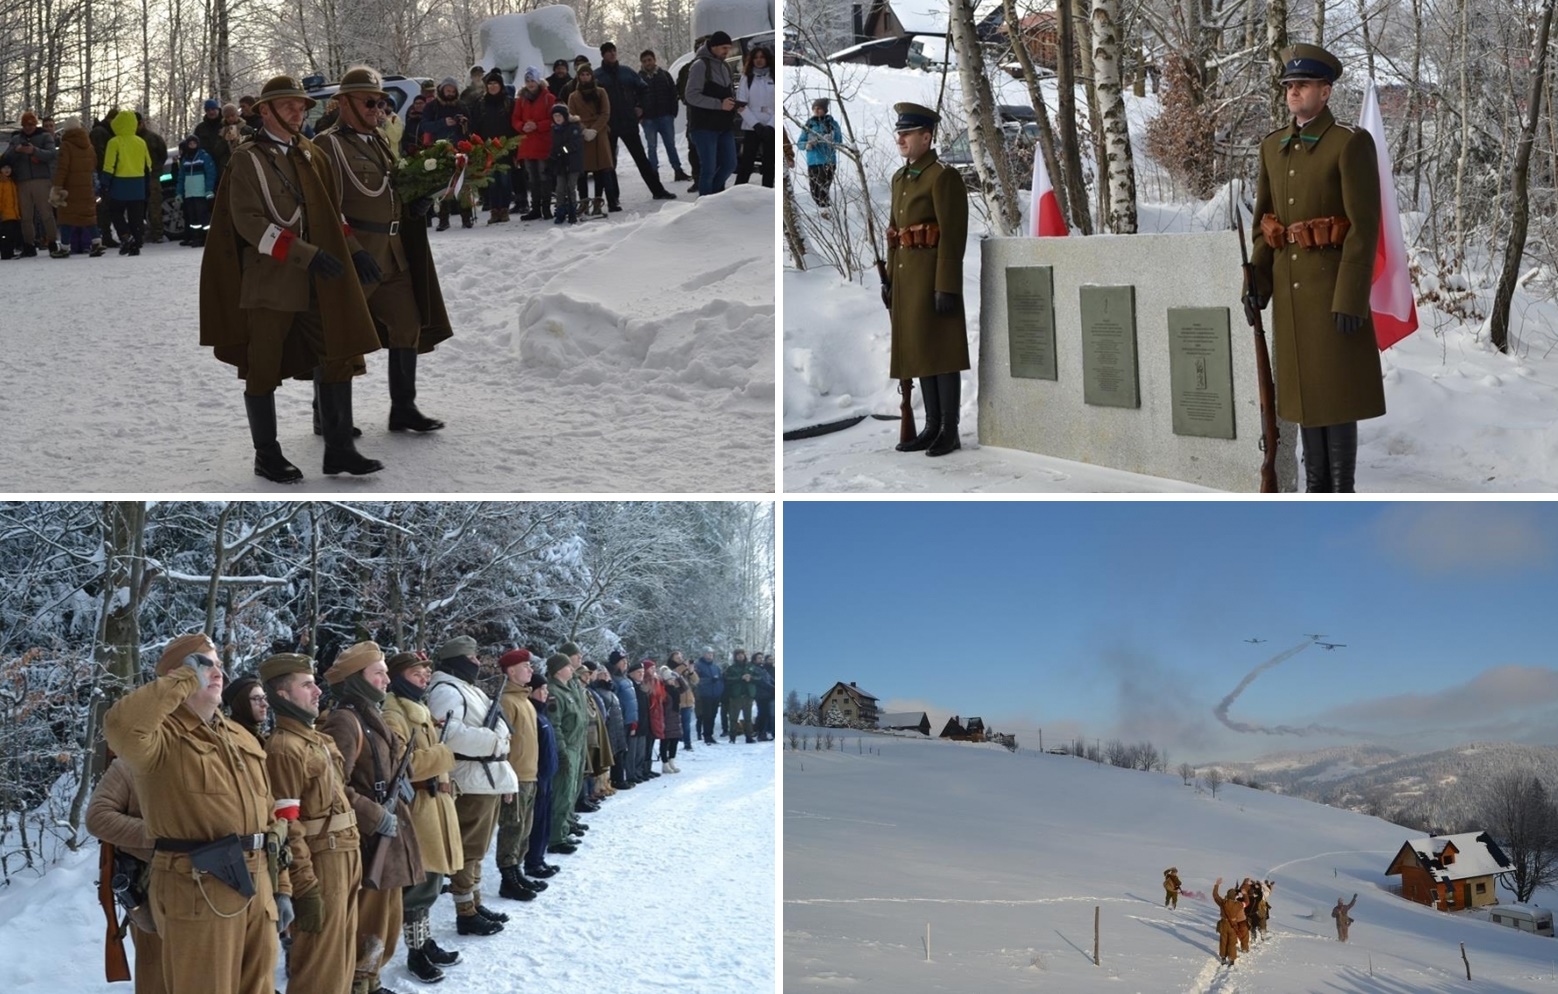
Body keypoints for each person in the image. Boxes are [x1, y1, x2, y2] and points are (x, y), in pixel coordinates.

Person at [200, 74, 385, 484]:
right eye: (288, 107)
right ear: (264, 111)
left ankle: (339, 449)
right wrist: (305, 254)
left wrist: (353, 251)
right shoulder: (247, 159)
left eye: (302, 107)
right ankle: (267, 455)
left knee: (338, 353)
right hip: (271, 283)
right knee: (263, 367)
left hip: (318, 280)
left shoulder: (309, 153)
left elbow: (330, 210)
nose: (298, 114)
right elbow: (249, 223)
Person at [103, 633, 280, 994]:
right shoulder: (159, 738)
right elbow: (119, 727)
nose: (214, 671)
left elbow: (268, 814)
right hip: (199, 886)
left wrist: (283, 887)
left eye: (216, 664)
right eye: (200, 664)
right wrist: (182, 680)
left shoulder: (239, 736)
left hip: (257, 884)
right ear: (174, 677)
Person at [1247, 43, 1382, 492]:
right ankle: (1317, 489)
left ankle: (1341, 492)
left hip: (1331, 296)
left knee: (1336, 397)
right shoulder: (1273, 147)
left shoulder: (1349, 143)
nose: (1293, 91)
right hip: (1289, 299)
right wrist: (1257, 281)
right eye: (1288, 85)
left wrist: (1351, 296)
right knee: (1306, 398)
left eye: (1302, 85)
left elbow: (1364, 226)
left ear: (1325, 92)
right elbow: (1267, 226)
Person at [316, 65, 452, 435]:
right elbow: (325, 208)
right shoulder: (329, 145)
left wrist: (416, 203)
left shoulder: (376, 140)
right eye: (369, 101)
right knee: (340, 337)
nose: (378, 108)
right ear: (343, 103)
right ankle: (326, 416)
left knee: (406, 324)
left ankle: (403, 408)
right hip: (356, 255)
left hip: (392, 253)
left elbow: (391, 190)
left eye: (381, 102)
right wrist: (353, 250)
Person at [319, 641, 422, 994]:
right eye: (378, 674)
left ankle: (371, 980)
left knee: (387, 918)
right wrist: (372, 814)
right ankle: (359, 983)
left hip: (387, 834)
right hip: (368, 838)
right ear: (357, 678)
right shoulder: (345, 721)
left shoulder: (369, 716)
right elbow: (332, 786)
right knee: (368, 920)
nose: (386, 681)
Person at [260, 651, 359, 994]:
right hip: (322, 862)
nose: (317, 691)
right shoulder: (284, 748)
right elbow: (287, 826)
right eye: (307, 685)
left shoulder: (315, 739)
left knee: (343, 956)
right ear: (283, 695)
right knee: (320, 967)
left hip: (345, 853)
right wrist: (304, 886)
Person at [885, 101, 970, 457]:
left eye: (907, 133)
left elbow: (953, 233)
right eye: (899, 133)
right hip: (908, 279)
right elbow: (895, 232)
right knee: (921, 352)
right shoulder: (901, 178)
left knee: (942, 355)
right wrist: (890, 279)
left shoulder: (942, 176)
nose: (901, 139)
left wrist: (945, 284)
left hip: (933, 278)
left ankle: (949, 430)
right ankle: (931, 426)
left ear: (926, 136)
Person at [381, 650, 466, 983]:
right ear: (400, 675)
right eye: (418, 673)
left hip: (435, 802)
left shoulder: (415, 707)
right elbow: (405, 763)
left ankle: (424, 943)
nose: (425, 678)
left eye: (426, 673)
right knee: (419, 883)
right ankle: (416, 953)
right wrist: (445, 752)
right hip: (418, 805)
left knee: (431, 882)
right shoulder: (394, 711)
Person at [425, 636, 517, 934]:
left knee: (478, 849)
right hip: (469, 778)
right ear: (457, 660)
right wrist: (492, 741)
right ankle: (465, 910)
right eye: (472, 658)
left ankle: (474, 901)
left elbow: (498, 720)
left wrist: (498, 737)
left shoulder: (469, 689)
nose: (478, 662)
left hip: (484, 777)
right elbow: (448, 735)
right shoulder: (446, 690)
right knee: (467, 849)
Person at [85, 756, 164, 994]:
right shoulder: (129, 764)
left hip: (204, 890)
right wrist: (160, 837)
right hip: (149, 894)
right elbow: (98, 817)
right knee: (156, 978)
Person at [494, 649, 548, 903]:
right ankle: (508, 878)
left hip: (530, 775)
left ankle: (517, 869)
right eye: (526, 666)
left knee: (524, 827)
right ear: (511, 671)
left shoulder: (525, 700)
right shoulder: (507, 701)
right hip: (514, 777)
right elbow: (502, 745)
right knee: (512, 827)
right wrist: (505, 780)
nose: (531, 670)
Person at [595, 41, 677, 206]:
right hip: (608, 125)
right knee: (609, 163)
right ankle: (613, 198)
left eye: (613, 51)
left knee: (641, 159)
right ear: (603, 55)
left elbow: (644, 88)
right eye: (608, 52)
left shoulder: (626, 72)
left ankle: (658, 190)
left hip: (628, 122)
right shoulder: (597, 76)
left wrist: (640, 107)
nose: (612, 54)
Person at [684, 31, 739, 196]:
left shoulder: (725, 66)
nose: (726, 51)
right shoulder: (699, 65)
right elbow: (691, 95)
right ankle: (706, 204)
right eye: (723, 48)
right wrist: (719, 104)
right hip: (704, 126)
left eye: (728, 48)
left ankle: (713, 197)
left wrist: (735, 102)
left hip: (723, 125)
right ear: (713, 46)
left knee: (730, 164)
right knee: (708, 168)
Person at [545, 649, 588, 850]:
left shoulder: (567, 689)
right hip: (567, 747)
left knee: (570, 791)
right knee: (562, 792)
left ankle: (564, 828)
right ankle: (556, 837)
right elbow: (555, 726)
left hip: (576, 744)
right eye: (568, 666)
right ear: (558, 670)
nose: (572, 669)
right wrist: (561, 753)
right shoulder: (554, 692)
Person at [2, 112, 59, 257]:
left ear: (35, 124)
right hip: (22, 181)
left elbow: (52, 154)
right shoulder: (16, 139)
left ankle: (52, 242)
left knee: (46, 213)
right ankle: (29, 244)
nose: (28, 127)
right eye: (26, 125)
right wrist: (16, 150)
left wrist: (34, 151)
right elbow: (6, 158)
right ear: (22, 125)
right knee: (26, 216)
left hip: (41, 179)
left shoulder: (45, 136)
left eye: (31, 124)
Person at [523, 672, 562, 883]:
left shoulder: (542, 714)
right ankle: (532, 861)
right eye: (543, 690)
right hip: (537, 775)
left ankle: (539, 857)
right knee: (536, 821)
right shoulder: (533, 715)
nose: (546, 693)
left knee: (545, 819)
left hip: (547, 775)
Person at [101, 110, 154, 256]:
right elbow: (148, 164)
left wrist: (105, 183)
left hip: (120, 183)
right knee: (136, 215)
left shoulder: (114, 142)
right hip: (138, 183)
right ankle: (136, 242)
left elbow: (109, 165)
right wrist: (146, 183)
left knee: (115, 211)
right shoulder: (140, 142)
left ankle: (125, 236)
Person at [50, 118, 103, 256]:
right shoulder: (89, 145)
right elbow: (94, 164)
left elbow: (62, 168)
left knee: (66, 217)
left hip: (69, 188)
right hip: (86, 186)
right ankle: (97, 243)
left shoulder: (66, 145)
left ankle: (64, 247)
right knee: (89, 216)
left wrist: (57, 186)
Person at [470, 69, 518, 223]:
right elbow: (475, 125)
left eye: (495, 83)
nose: (492, 86)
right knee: (491, 181)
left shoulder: (509, 102)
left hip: (505, 146)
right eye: (489, 83)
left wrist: (514, 147)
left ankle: (504, 209)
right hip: (487, 147)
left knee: (504, 180)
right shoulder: (480, 103)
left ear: (501, 85)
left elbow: (514, 125)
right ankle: (494, 210)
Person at [567, 66, 615, 218]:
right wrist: (583, 130)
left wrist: (594, 130)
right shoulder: (573, 96)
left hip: (599, 134)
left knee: (600, 169)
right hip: (581, 135)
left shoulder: (601, 92)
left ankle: (598, 201)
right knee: (582, 170)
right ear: (578, 77)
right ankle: (584, 201)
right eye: (582, 75)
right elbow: (571, 115)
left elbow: (605, 113)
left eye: (588, 74)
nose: (585, 77)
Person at [639, 50, 689, 181]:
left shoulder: (664, 75)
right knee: (651, 147)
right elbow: (635, 98)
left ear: (654, 60)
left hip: (665, 116)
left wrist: (672, 112)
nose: (647, 63)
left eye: (649, 60)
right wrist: (640, 116)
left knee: (670, 145)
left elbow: (674, 94)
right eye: (644, 61)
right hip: (648, 119)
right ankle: (654, 174)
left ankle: (678, 170)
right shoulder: (638, 79)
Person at [512, 67, 555, 219]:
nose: (530, 84)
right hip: (528, 144)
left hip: (543, 143)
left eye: (532, 80)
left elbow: (553, 119)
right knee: (532, 178)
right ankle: (535, 208)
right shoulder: (521, 100)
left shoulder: (548, 98)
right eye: (528, 81)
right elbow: (515, 119)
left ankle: (546, 207)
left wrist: (538, 125)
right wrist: (521, 126)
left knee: (544, 177)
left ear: (538, 81)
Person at [734, 46, 775, 187]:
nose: (759, 60)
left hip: (771, 126)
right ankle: (738, 191)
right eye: (756, 57)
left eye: (762, 57)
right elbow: (741, 105)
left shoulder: (775, 77)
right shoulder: (747, 78)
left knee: (770, 163)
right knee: (747, 162)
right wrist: (756, 124)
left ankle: (768, 192)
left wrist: (771, 126)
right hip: (752, 126)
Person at [796, 98, 842, 208]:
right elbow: (799, 143)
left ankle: (826, 211)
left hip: (827, 161)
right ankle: (822, 212)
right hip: (812, 162)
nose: (816, 110)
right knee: (814, 190)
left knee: (823, 190)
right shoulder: (809, 125)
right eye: (814, 108)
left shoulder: (832, 123)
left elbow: (839, 141)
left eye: (819, 108)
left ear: (825, 110)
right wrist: (807, 144)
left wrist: (829, 140)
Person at [173, 134, 216, 247]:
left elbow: (210, 174)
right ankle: (196, 237)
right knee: (193, 218)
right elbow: (181, 177)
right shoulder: (185, 160)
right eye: (190, 144)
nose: (192, 146)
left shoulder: (204, 157)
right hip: (189, 193)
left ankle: (207, 237)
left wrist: (209, 189)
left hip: (201, 193)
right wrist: (179, 192)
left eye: (194, 144)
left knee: (203, 216)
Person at [548, 102, 584, 225]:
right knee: (559, 188)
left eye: (559, 115)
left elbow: (575, 145)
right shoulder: (554, 129)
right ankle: (560, 210)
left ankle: (572, 210)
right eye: (555, 116)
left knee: (571, 187)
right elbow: (554, 146)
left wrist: (562, 151)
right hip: (560, 164)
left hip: (572, 163)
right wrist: (553, 156)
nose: (557, 118)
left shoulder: (573, 128)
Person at [136, 113, 168, 243]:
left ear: (142, 123)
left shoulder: (153, 138)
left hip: (152, 175)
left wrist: (156, 169)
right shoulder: (131, 139)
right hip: (137, 176)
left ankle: (157, 232)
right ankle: (143, 231)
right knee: (138, 206)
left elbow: (163, 154)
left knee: (154, 204)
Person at [221, 674, 269, 744]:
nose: (265, 704)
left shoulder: (257, 736)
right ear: (242, 704)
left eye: (264, 697)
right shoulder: (233, 739)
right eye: (257, 698)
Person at [724, 648, 758, 742]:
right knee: (733, 718)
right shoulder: (732, 668)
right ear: (735, 657)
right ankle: (732, 738)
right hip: (736, 696)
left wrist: (751, 678)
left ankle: (749, 737)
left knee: (748, 718)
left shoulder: (751, 666)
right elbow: (727, 679)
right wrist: (740, 678)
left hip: (748, 695)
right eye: (738, 655)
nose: (740, 656)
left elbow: (759, 677)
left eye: (742, 654)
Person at [193, 98, 231, 179]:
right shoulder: (200, 128)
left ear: (218, 109)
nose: (211, 112)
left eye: (213, 109)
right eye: (208, 110)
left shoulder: (226, 124)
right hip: (208, 166)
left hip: (226, 164)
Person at [1212, 876, 1246, 965]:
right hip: (1233, 925)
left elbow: (1215, 895)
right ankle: (1232, 958)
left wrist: (1217, 885)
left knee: (1223, 941)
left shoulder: (1223, 903)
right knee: (1232, 942)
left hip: (1223, 924)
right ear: (1234, 896)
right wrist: (1245, 894)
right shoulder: (1238, 905)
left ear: (1227, 895)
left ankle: (1223, 957)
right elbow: (1247, 902)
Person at [693, 646, 723, 746]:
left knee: (713, 715)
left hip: (715, 694)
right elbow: (695, 680)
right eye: (708, 653)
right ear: (703, 654)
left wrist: (720, 690)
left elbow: (720, 679)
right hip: (704, 694)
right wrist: (709, 681)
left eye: (711, 654)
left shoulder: (715, 667)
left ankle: (710, 734)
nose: (710, 655)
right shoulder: (698, 666)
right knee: (707, 716)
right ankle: (706, 735)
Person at [0, 162, 19, 260]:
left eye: (8, 167)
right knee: (5, 235)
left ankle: (10, 251)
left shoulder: (11, 181)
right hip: (5, 214)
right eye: (4, 168)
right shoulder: (2, 182)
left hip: (13, 213)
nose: (7, 170)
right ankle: (5, 253)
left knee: (11, 234)